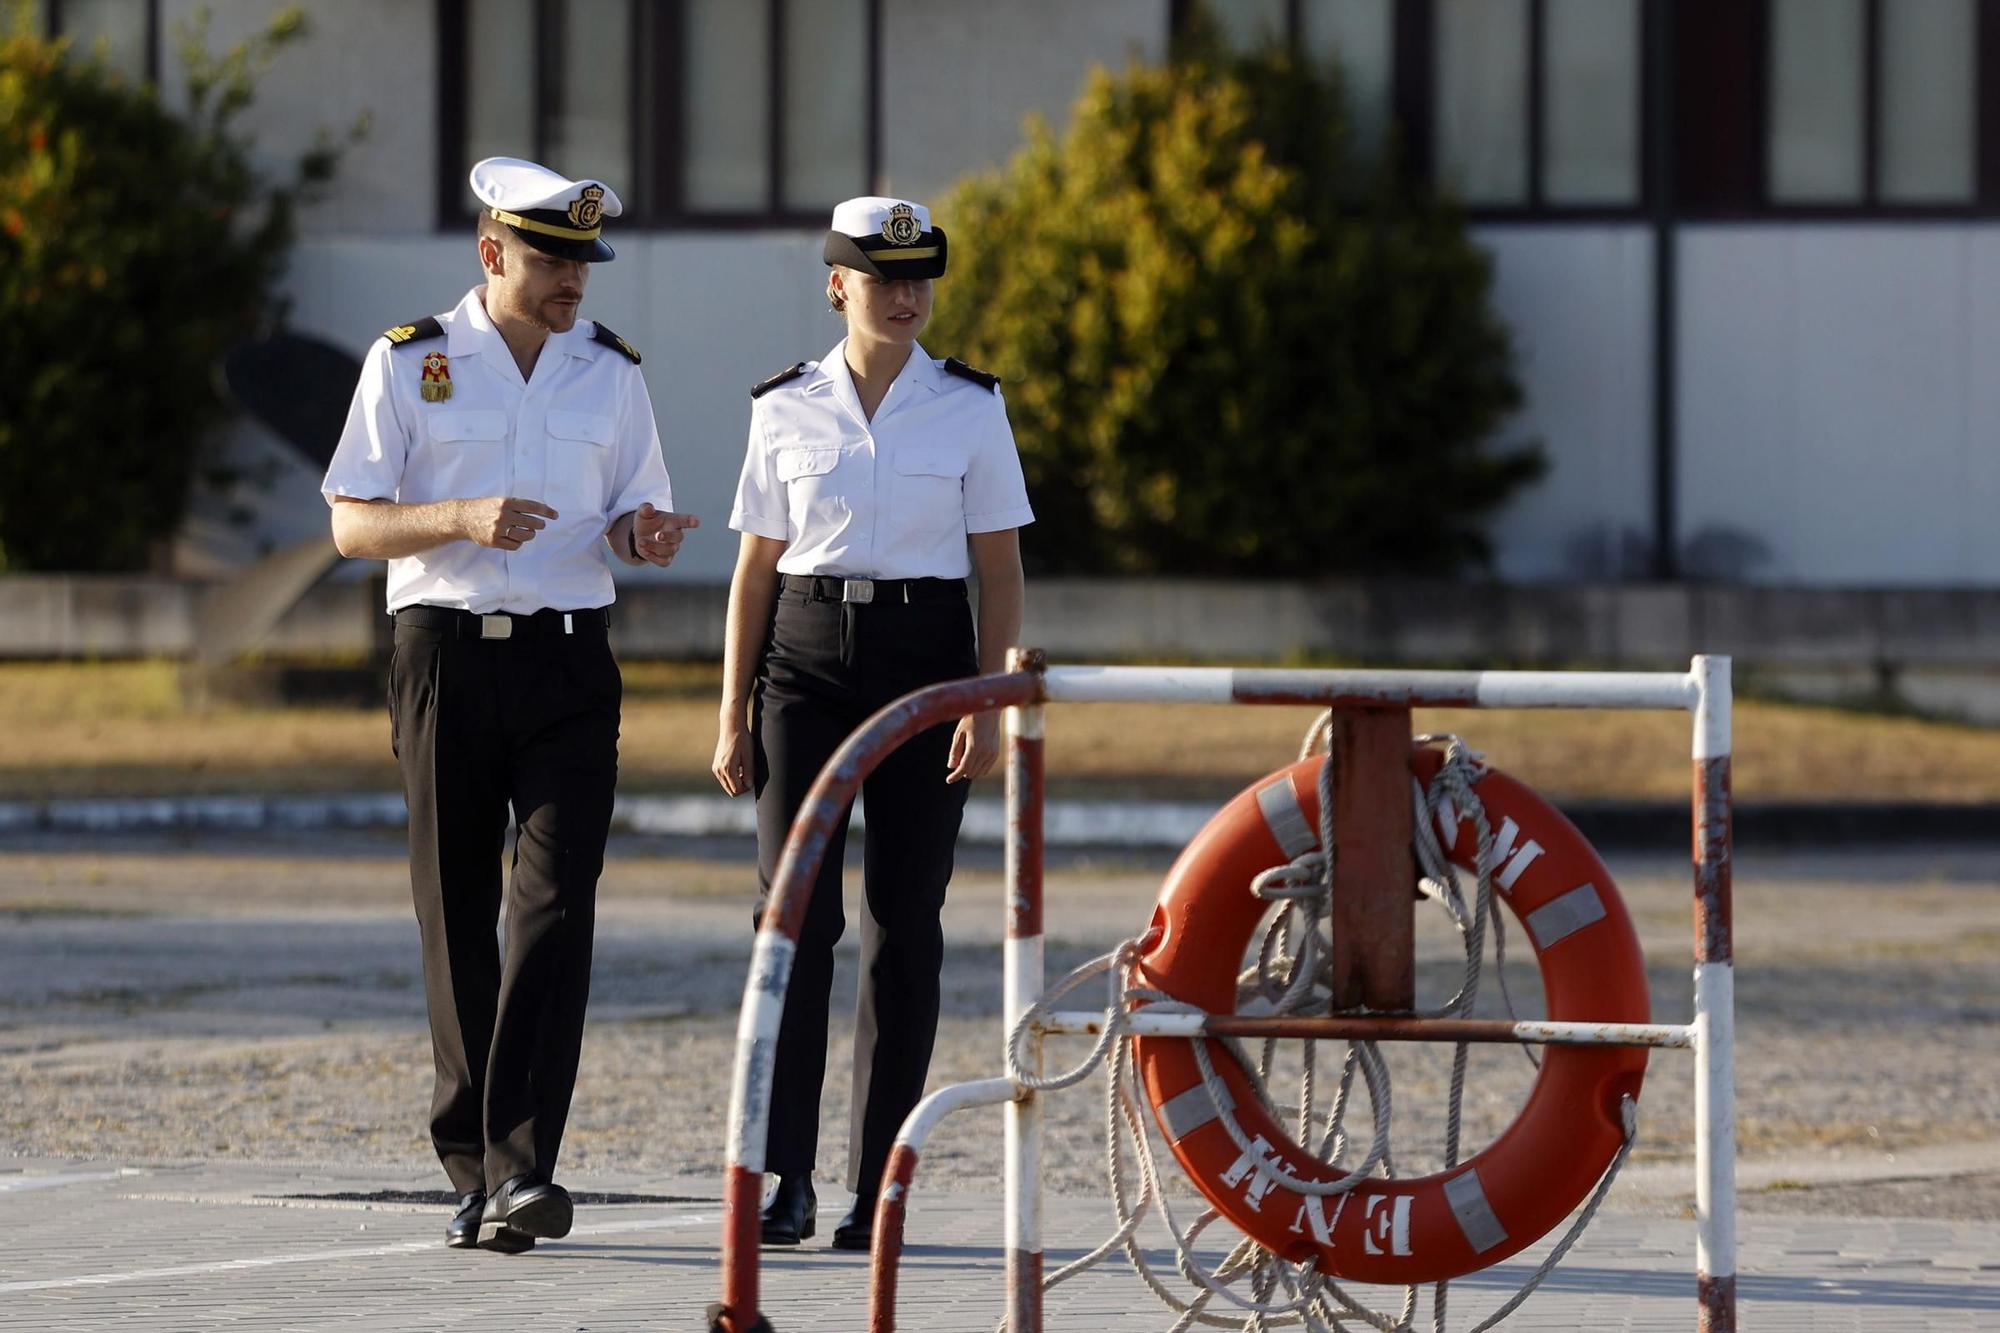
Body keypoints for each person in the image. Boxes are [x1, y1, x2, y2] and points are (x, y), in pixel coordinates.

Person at [321, 156, 697, 1255]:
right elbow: (352, 524)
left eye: (583, 260)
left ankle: (525, 1164)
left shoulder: (611, 374)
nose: (573, 278)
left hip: (569, 666)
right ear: (493, 254)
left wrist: (645, 536)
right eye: (551, 257)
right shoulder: (411, 364)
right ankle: (472, 1165)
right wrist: (459, 516)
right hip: (442, 655)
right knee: (455, 912)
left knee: (553, 906)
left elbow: (634, 511)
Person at [711, 196, 1033, 1251]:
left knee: (904, 922)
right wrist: (730, 713)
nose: (903, 296)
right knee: (796, 917)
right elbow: (754, 568)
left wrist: (987, 702)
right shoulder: (782, 406)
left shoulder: (969, 405)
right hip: (802, 664)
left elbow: (997, 565)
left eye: (918, 278)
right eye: (880, 276)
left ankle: (873, 1189)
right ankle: (788, 1179)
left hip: (926, 660)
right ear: (834, 283)